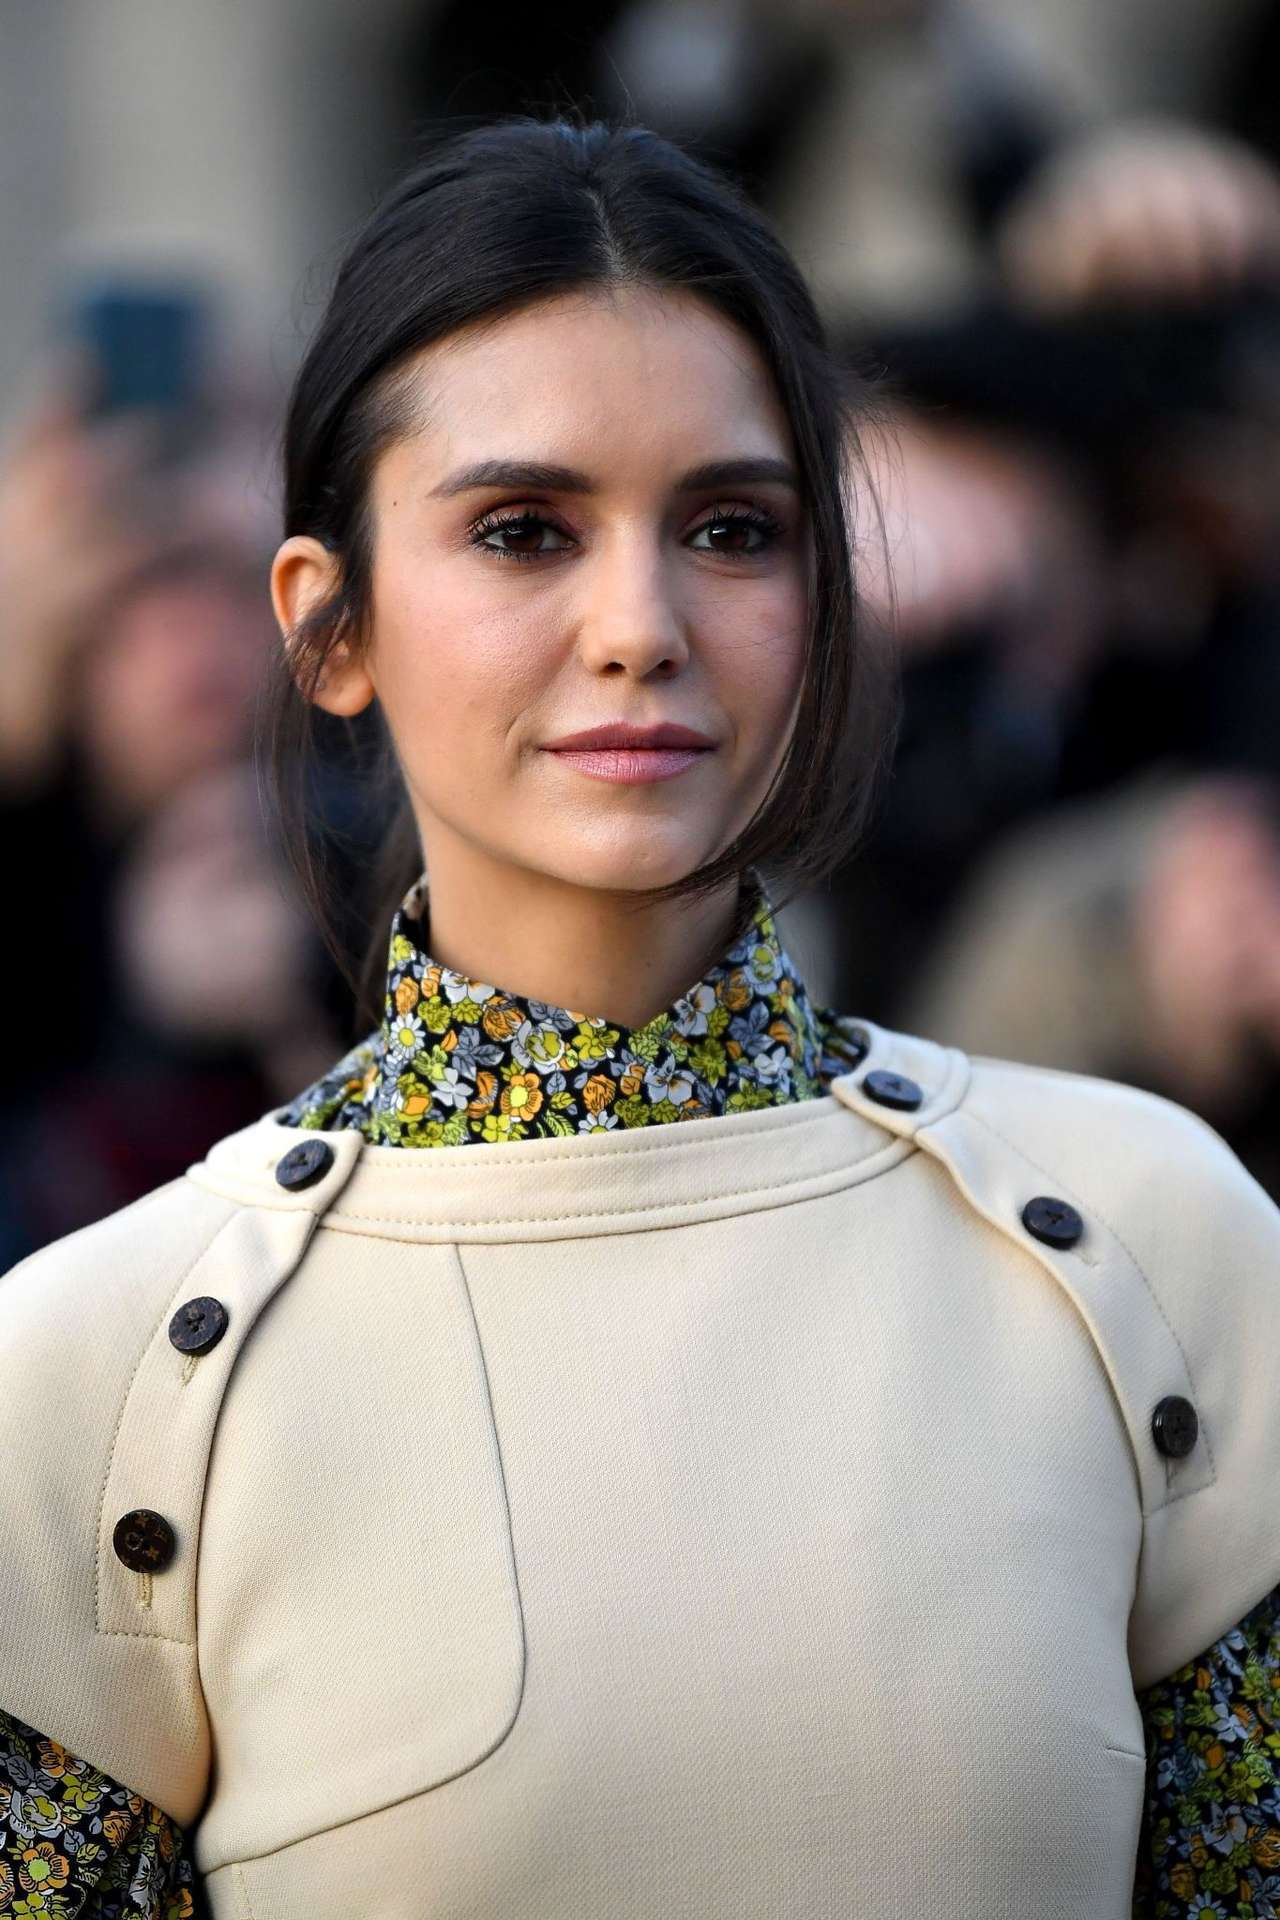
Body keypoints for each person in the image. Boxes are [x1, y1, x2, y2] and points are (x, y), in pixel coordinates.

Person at [1, 113, 1278, 1920]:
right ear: (328, 626)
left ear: (825, 595)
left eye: (732, 529)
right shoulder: (96, 1377)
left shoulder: (1154, 1248)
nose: (638, 625)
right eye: (523, 530)